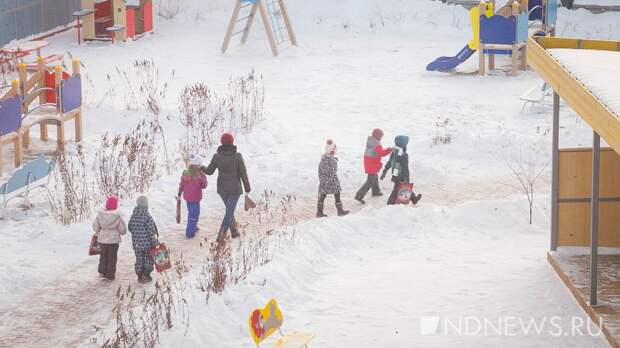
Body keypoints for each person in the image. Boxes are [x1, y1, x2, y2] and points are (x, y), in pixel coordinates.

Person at [201, 133, 251, 242]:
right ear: (232, 142)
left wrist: (201, 168)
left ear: (222, 142)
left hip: (222, 189)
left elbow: (209, 171)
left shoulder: (217, 156)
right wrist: (247, 188)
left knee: (229, 210)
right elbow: (243, 173)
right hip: (234, 189)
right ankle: (221, 236)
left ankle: (234, 231)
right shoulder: (237, 156)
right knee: (229, 212)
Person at [381, 135, 422, 205]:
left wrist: (384, 172)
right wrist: (406, 178)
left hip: (395, 174)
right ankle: (390, 203)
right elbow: (405, 167)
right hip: (401, 175)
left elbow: (389, 163)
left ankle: (414, 199)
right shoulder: (404, 154)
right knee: (398, 188)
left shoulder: (394, 152)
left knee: (404, 187)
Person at [92, 196, 126, 281]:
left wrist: (99, 230)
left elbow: (95, 226)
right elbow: (123, 230)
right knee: (112, 257)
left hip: (102, 240)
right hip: (114, 241)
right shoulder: (117, 217)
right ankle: (110, 274)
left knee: (103, 256)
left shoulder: (100, 215)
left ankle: (102, 271)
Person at [355, 128, 392, 204]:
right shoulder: (377, 144)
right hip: (372, 164)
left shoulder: (370, 142)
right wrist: (389, 150)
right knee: (370, 181)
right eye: (381, 136)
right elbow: (382, 153)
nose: (381, 138)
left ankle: (376, 191)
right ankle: (359, 195)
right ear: (378, 136)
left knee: (375, 177)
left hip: (368, 163)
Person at [127, 195, 158, 283]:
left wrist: (136, 232)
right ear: (146, 204)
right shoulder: (147, 216)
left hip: (136, 243)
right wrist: (155, 242)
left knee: (139, 258)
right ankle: (146, 274)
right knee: (149, 257)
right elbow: (151, 231)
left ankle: (140, 274)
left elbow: (130, 227)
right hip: (147, 243)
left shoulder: (134, 215)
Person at [317, 139, 349, 218]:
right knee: (337, 193)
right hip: (332, 181)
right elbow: (333, 171)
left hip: (324, 181)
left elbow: (320, 171)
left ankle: (319, 212)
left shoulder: (323, 159)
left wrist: (322, 180)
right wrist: (335, 161)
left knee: (323, 195)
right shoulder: (331, 160)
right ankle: (340, 211)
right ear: (332, 151)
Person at [178, 154, 208, 238]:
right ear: (197, 165)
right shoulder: (200, 175)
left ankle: (193, 226)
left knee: (191, 213)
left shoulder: (185, 173)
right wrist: (203, 175)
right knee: (194, 214)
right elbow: (204, 185)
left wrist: (179, 193)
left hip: (187, 197)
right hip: (195, 198)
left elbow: (181, 185)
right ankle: (190, 233)